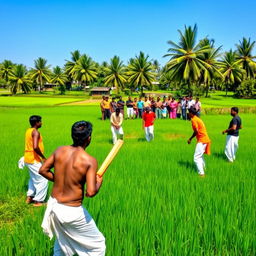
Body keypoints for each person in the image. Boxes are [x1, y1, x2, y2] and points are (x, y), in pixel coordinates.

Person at [39, 121, 106, 256]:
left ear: (72, 135)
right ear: (89, 138)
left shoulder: (60, 150)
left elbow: (43, 170)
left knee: (62, 242)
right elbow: (91, 192)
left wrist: (59, 179)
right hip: (72, 212)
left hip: (54, 206)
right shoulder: (89, 160)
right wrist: (99, 182)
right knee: (98, 246)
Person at [24, 115, 48, 206]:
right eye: (40, 121)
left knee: (33, 178)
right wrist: (43, 157)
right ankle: (38, 201)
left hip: (28, 158)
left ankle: (30, 197)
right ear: (37, 123)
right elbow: (35, 147)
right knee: (43, 178)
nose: (41, 123)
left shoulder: (28, 130)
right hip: (33, 159)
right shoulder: (35, 132)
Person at [187, 108, 211, 177]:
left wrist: (190, 139)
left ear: (191, 113)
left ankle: (201, 173)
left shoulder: (194, 120)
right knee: (200, 156)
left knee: (196, 157)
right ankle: (204, 168)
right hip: (205, 139)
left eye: (188, 112)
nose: (188, 114)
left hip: (202, 140)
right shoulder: (198, 118)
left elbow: (196, 131)